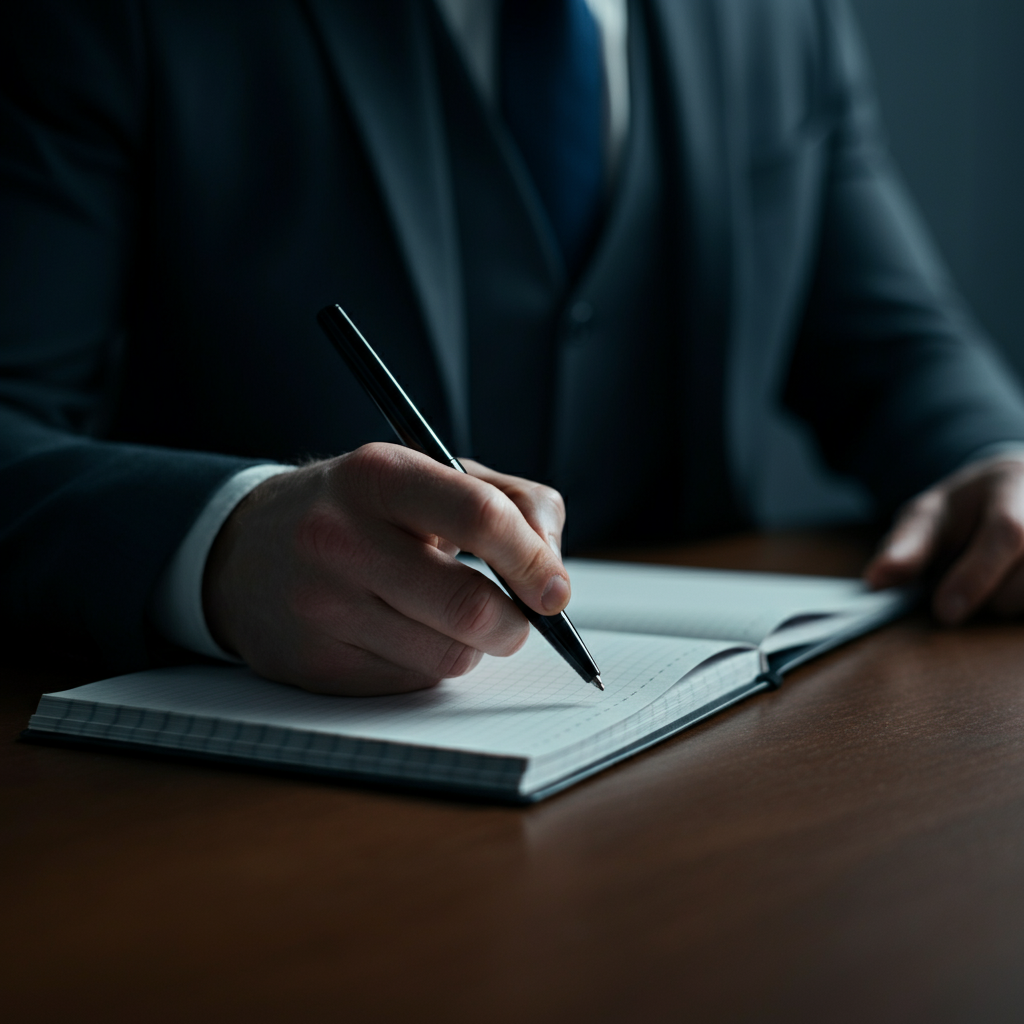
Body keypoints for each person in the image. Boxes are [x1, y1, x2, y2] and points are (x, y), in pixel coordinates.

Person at [3, 0, 1024, 695]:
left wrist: (996, 458)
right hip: (249, 817)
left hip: (712, 778)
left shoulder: (778, 14)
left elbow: (889, 340)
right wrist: (219, 542)